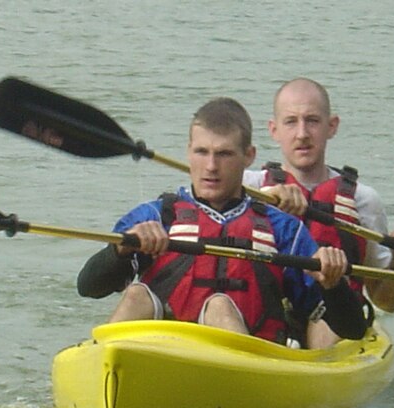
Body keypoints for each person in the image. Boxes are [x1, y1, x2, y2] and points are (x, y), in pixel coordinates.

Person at [76, 96, 366, 349]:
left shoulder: (284, 230)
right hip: (160, 352)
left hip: (244, 362)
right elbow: (88, 287)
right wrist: (121, 251)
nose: (211, 167)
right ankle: (103, 369)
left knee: (219, 306)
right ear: (189, 152)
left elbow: (353, 329)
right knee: (137, 294)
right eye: (202, 152)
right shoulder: (155, 217)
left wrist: (333, 283)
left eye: (224, 154)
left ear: (248, 156)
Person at [243, 78, 394, 344]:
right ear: (273, 130)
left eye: (313, 121)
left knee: (326, 325)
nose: (302, 134)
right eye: (290, 122)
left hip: (334, 320)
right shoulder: (248, 187)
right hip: (263, 315)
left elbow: (385, 302)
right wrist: (268, 199)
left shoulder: (363, 200)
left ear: (332, 127)